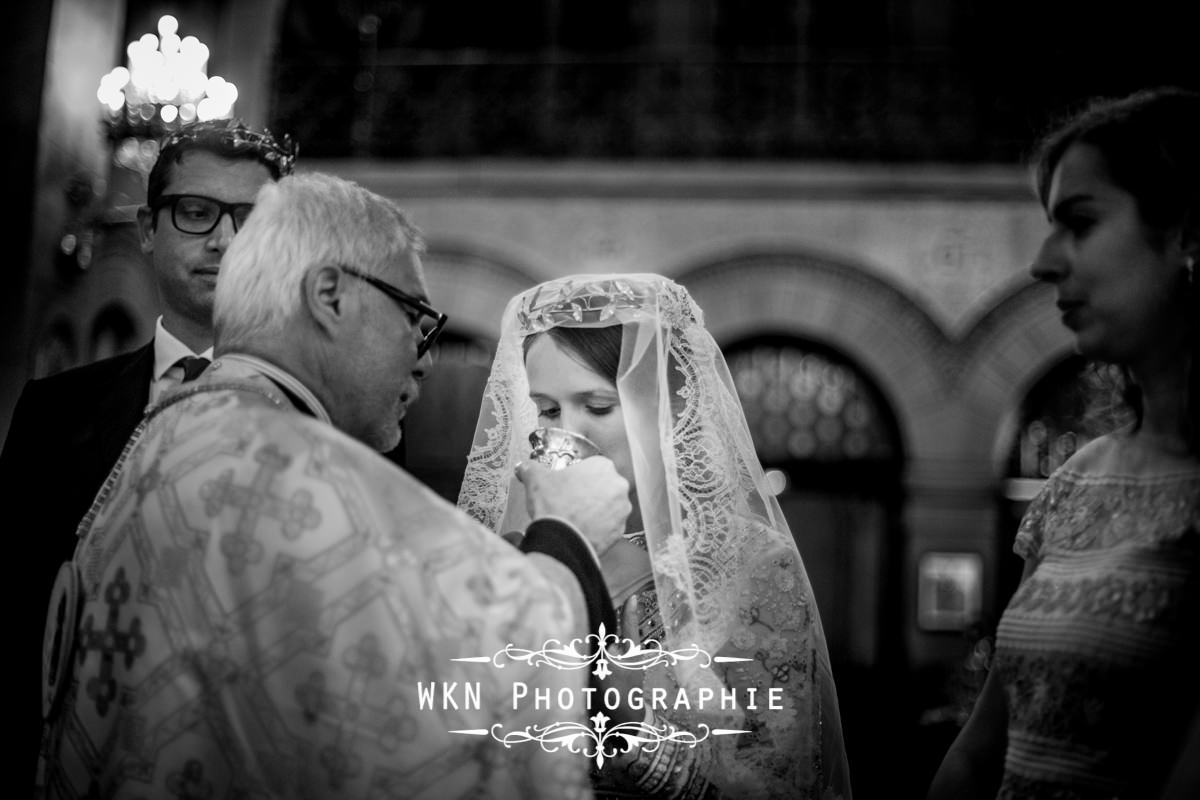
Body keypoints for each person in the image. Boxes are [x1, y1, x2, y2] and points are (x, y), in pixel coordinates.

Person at [36, 172, 632, 799]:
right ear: (330, 294)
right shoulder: (292, 475)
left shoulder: (172, 436)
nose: (424, 354)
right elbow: (482, 684)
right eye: (414, 317)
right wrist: (567, 540)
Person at [458, 273, 852, 799]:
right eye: (548, 409)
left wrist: (635, 724)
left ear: (669, 409)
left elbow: (779, 780)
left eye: (597, 406)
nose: (565, 432)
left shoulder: (746, 563)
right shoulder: (519, 556)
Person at [2, 117, 296, 788]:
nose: (225, 240)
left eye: (251, 219)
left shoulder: (329, 419)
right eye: (196, 213)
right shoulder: (53, 413)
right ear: (146, 228)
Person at [927, 87, 1200, 799]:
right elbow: (983, 746)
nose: (1044, 262)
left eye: (1079, 223)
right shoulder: (1078, 482)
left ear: (1189, 233)